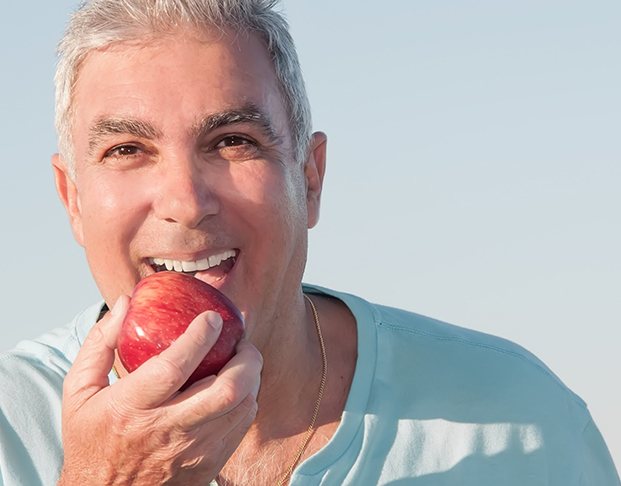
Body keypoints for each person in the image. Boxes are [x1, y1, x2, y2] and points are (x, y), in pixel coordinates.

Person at [0, 0, 619, 484]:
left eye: (233, 141)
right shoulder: (11, 426)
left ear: (310, 177)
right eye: (127, 150)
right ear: (72, 200)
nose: (184, 202)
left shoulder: (518, 425)